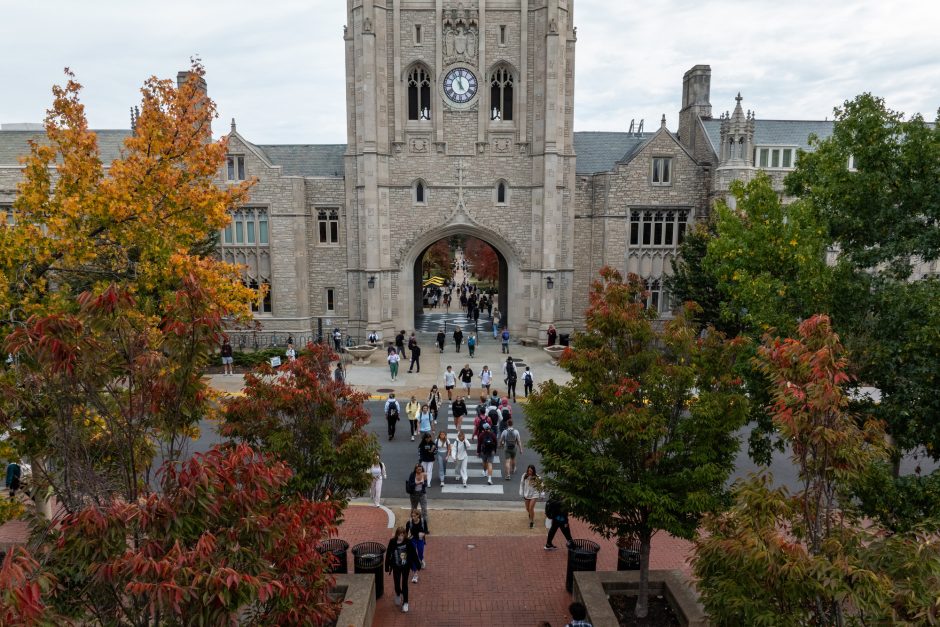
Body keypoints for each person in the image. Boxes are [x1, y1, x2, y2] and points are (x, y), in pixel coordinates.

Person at [385, 526, 420, 613]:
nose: (401, 537)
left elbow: (413, 553)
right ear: (396, 535)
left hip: (405, 567)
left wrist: (417, 564)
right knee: (396, 583)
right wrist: (387, 566)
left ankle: (405, 603)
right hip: (396, 566)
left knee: (404, 584)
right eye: (399, 535)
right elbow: (388, 554)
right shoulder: (392, 542)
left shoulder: (408, 542)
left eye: (402, 535)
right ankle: (398, 593)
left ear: (405, 535)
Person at [406, 508, 430, 582]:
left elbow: (427, 531)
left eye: (414, 516)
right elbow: (406, 533)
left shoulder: (423, 521)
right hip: (412, 539)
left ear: (418, 516)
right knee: (413, 556)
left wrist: (423, 533)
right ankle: (415, 574)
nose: (413, 518)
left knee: (420, 553)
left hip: (420, 539)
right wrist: (407, 537)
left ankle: (421, 559)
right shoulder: (409, 522)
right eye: (412, 516)